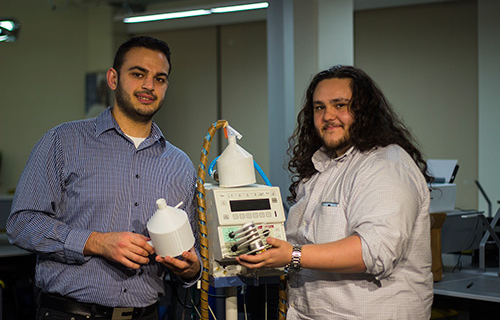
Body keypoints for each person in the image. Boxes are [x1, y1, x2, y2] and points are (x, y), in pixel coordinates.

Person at [7, 36, 201, 320]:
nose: (149, 85)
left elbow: (192, 253)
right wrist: (96, 242)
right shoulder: (64, 142)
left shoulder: (179, 164)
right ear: (113, 78)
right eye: (138, 74)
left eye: (160, 79)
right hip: (71, 313)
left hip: (146, 314)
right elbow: (21, 223)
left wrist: (190, 270)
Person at [237, 65, 433, 319]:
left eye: (340, 105)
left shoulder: (385, 166)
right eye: (320, 107)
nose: (328, 115)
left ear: (364, 111)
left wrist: (293, 255)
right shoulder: (323, 167)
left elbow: (373, 251)